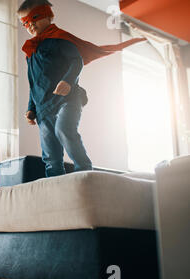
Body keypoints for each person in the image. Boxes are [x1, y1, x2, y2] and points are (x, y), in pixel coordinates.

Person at [18, 0, 145, 177]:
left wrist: (68, 81)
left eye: (35, 18)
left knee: (64, 130)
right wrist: (31, 108)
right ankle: (55, 183)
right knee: (50, 151)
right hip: (43, 108)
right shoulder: (31, 52)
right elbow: (33, 83)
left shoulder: (59, 38)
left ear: (49, 15)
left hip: (67, 99)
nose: (30, 24)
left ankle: (84, 171)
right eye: (25, 23)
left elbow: (76, 61)